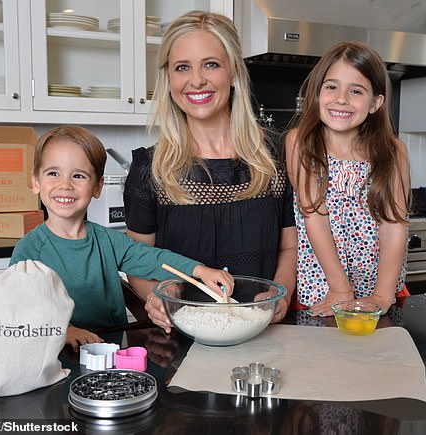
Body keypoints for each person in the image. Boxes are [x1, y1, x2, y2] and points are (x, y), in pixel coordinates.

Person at [123, 10, 297, 333]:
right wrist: (157, 295)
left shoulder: (275, 157)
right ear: (169, 79)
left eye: (211, 64)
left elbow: (289, 247)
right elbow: (138, 261)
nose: (196, 79)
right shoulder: (150, 169)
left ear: (232, 74)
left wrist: (279, 293)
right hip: (181, 342)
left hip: (263, 332)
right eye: (182, 67)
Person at [9, 125, 234, 351]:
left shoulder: (107, 240)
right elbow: (18, 311)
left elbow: (152, 258)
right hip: (55, 355)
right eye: (53, 173)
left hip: (111, 351)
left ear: (97, 186)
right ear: (36, 181)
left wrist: (200, 271)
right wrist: (64, 331)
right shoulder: (29, 250)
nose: (65, 185)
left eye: (78, 176)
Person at [285, 41, 410, 317]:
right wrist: (340, 289)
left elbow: (394, 226)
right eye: (331, 87)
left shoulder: (393, 150)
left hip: (380, 289)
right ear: (317, 93)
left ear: (376, 102)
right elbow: (313, 216)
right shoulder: (301, 143)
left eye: (356, 91)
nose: (341, 99)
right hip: (323, 288)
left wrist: (382, 294)